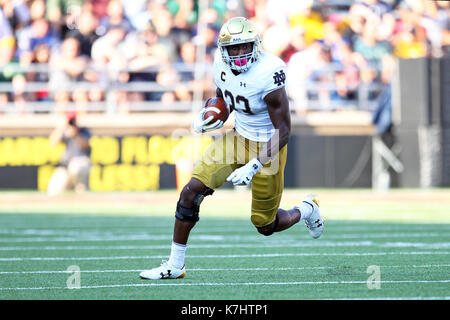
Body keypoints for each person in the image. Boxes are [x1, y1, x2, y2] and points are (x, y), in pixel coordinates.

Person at [139, 17, 324, 280]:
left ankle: (307, 208)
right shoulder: (219, 64)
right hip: (238, 138)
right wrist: (211, 114)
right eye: (233, 48)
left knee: (265, 225)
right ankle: (175, 264)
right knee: (190, 193)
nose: (238, 53)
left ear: (255, 45)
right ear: (224, 50)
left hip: (268, 147)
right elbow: (224, 96)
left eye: (244, 46)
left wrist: (255, 165)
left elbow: (283, 130)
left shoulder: (269, 72)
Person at [47, 113, 91, 195]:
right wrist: (61, 128)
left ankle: (80, 188)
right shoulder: (64, 130)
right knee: (53, 191)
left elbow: (85, 146)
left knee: (76, 168)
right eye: (70, 122)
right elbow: (53, 142)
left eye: (72, 121)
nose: (71, 124)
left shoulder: (83, 131)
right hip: (65, 166)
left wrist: (76, 135)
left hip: (80, 164)